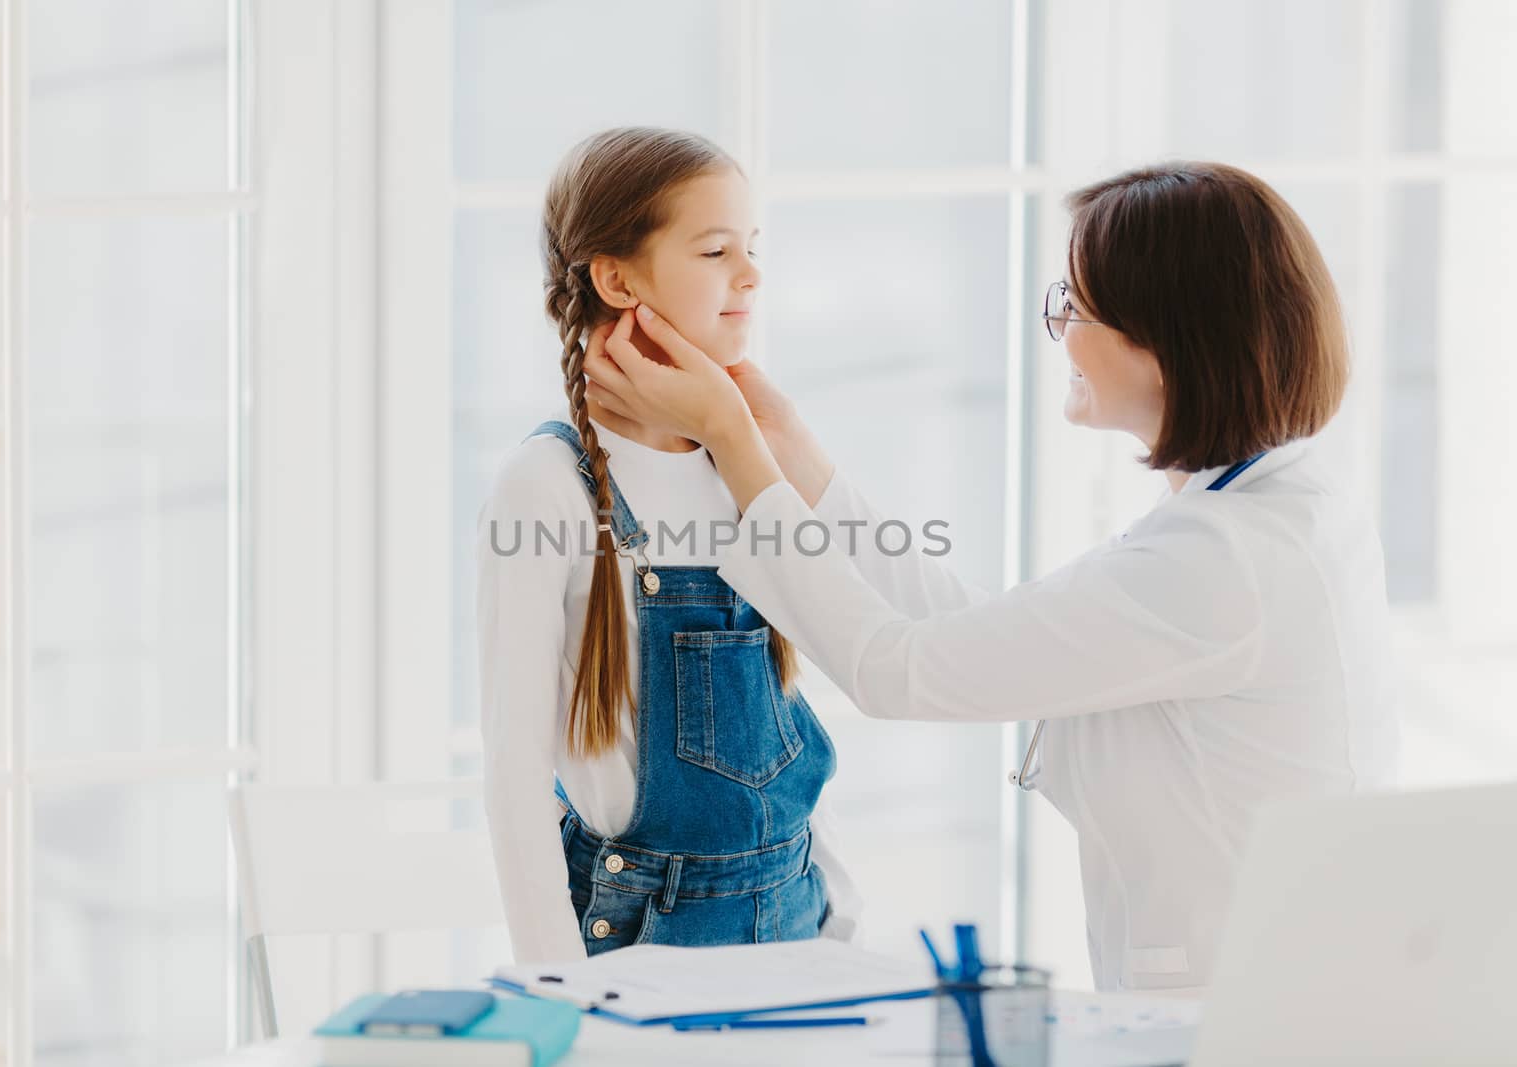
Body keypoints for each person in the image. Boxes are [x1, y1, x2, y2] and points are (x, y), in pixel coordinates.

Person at [583, 161, 1399, 991]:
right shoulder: (1266, 515)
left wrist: (734, 442)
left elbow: (895, 669)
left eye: (1074, 306)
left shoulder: (1227, 561)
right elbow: (970, 631)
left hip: (1248, 1013)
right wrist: (792, 455)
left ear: (1165, 338)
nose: (1059, 329)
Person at [476, 127, 861, 964]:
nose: (752, 274)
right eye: (717, 249)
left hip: (798, 924)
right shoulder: (548, 486)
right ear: (617, 279)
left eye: (752, 248)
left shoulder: (747, 464)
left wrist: (842, 907)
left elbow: (786, 704)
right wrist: (557, 988)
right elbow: (514, 771)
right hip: (641, 945)